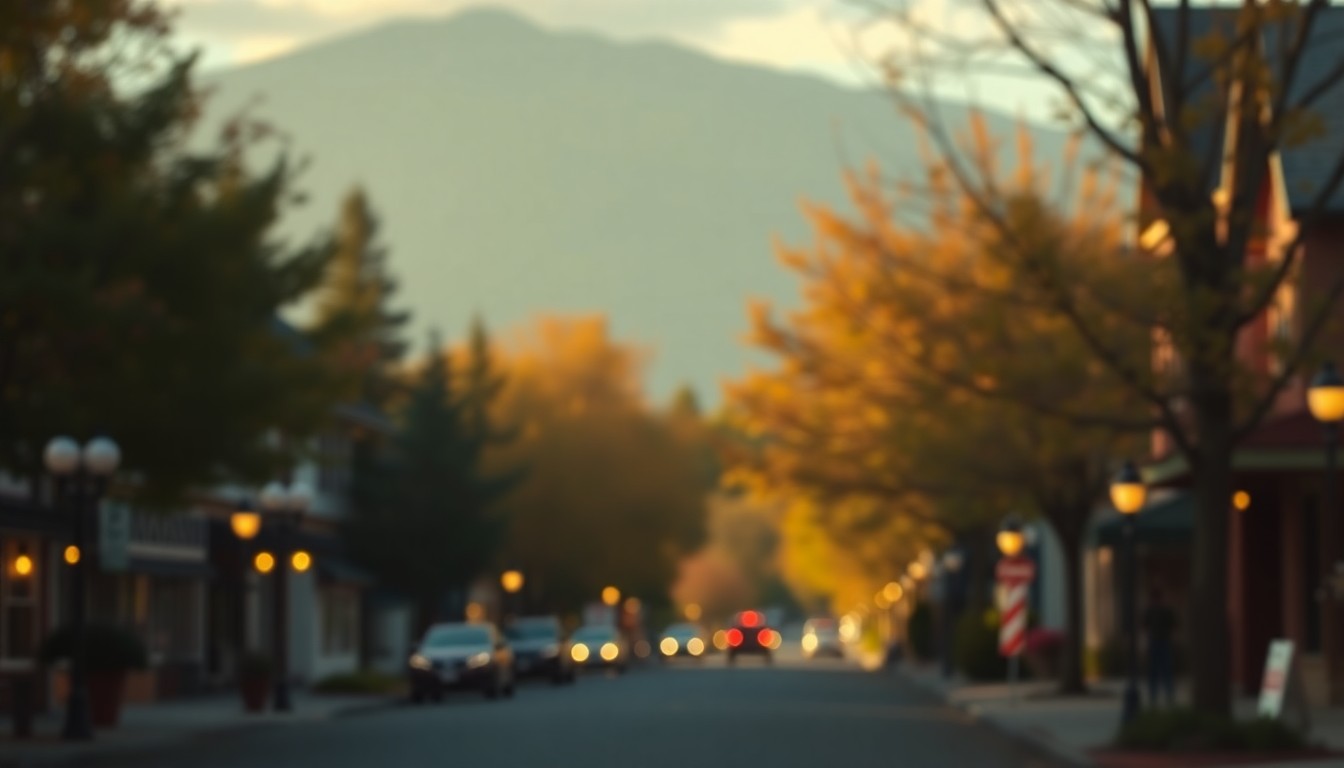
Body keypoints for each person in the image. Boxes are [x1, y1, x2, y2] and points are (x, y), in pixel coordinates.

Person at [1143, 587, 1177, 706]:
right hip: (1160, 642)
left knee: (1159, 671)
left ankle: (1160, 696)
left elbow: (1145, 626)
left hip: (1159, 642)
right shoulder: (1157, 610)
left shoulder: (1157, 610)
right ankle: (1163, 696)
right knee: (1161, 671)